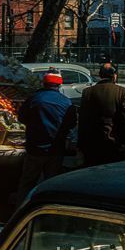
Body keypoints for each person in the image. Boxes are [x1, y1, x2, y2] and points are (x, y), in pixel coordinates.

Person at [15, 71, 78, 202]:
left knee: (27, 183)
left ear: (44, 83)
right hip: (56, 150)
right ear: (59, 85)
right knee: (51, 184)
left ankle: (20, 210)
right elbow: (71, 124)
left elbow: (21, 117)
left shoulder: (34, 98)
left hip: (35, 148)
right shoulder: (66, 102)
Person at [77, 64, 125, 167]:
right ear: (114, 76)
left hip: (91, 142)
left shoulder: (87, 92)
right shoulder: (122, 92)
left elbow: (83, 119)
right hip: (113, 141)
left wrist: (81, 144)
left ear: (100, 75)